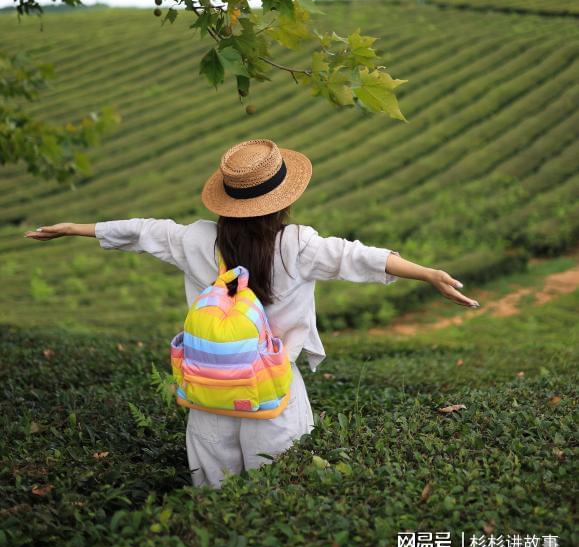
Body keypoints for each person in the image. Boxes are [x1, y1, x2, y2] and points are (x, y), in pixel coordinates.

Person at [24, 138, 480, 489]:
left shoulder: (196, 240)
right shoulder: (296, 245)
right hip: (273, 389)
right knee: (279, 488)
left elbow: (143, 231)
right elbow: (357, 256)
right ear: (283, 199)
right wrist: (427, 273)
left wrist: (75, 229)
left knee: (216, 493)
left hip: (210, 392)